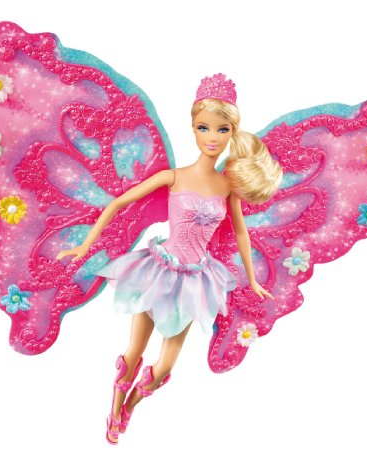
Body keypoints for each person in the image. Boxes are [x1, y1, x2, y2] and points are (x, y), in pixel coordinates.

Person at [56, 73, 283, 445]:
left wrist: (254, 278)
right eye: (204, 127)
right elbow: (118, 203)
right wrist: (85, 245)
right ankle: (115, 410)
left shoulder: (228, 187)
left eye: (222, 129)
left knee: (163, 367)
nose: (212, 137)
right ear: (193, 129)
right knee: (134, 351)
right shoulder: (173, 176)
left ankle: (132, 405)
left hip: (196, 279)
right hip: (158, 271)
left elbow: (242, 232)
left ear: (232, 133)